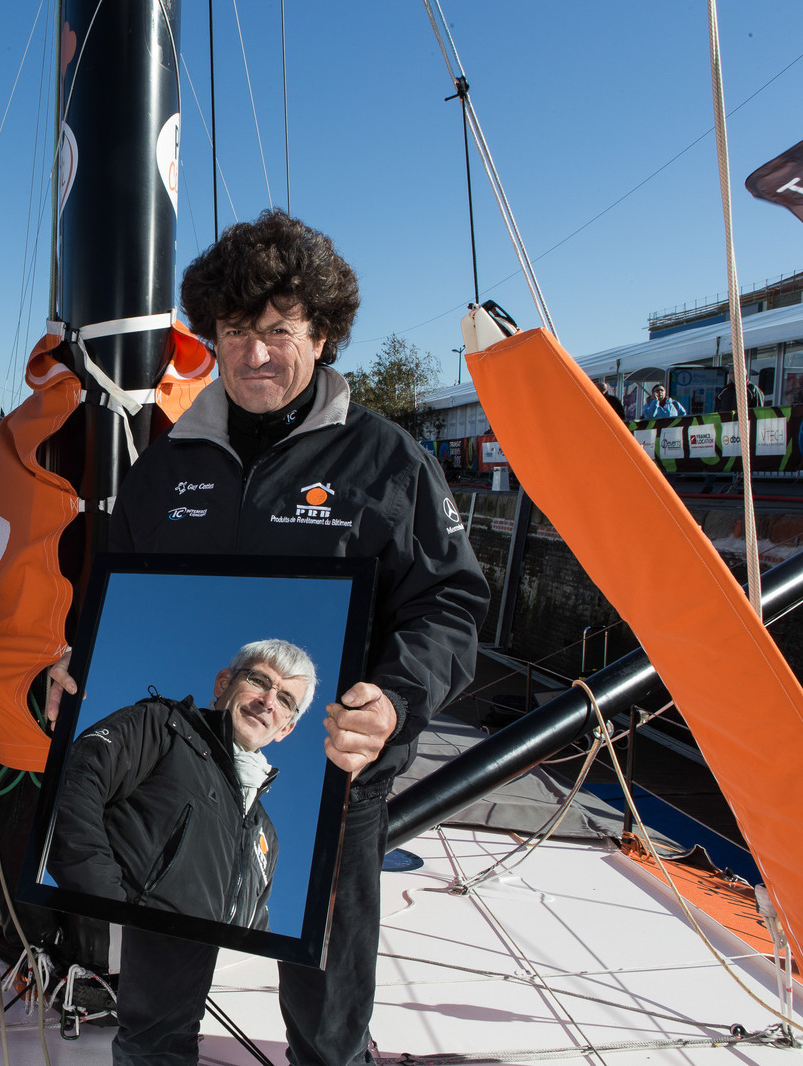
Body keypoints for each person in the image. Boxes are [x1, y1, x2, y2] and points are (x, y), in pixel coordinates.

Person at [49, 210, 488, 1066]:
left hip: (334, 787)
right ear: (212, 335)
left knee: (328, 1035)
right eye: (235, 332)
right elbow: (111, 604)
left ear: (321, 336)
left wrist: (394, 701)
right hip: (172, 786)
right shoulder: (165, 469)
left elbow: (451, 605)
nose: (254, 354)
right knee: (150, 1026)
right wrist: (79, 664)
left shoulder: (387, 462)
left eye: (278, 332)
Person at [49, 640, 316, 931]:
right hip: (109, 962)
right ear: (223, 683)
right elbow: (71, 788)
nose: (268, 701)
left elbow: (253, 930)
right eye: (259, 680)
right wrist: (113, 918)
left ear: (287, 728)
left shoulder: (265, 835)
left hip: (195, 976)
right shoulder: (162, 725)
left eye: (286, 700)